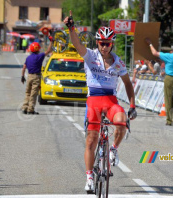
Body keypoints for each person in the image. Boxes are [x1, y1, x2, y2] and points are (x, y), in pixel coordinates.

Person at [63, 10, 137, 192]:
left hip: (111, 100)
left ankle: (113, 149)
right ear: (98, 43)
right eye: (102, 43)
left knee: (122, 122)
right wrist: (72, 28)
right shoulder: (90, 56)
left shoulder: (118, 62)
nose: (104, 47)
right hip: (94, 100)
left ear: (112, 44)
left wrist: (132, 106)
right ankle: (89, 177)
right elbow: (77, 43)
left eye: (108, 44)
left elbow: (128, 84)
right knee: (91, 141)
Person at [145, 38, 173, 126]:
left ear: (172, 48)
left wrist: (150, 44)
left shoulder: (169, 56)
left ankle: (169, 120)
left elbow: (154, 53)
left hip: (169, 78)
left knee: (168, 99)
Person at [21, 37, 53, 114]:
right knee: (33, 94)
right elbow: (48, 51)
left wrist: (22, 76)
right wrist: (51, 41)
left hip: (29, 76)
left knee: (27, 92)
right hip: (36, 77)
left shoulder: (28, 57)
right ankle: (30, 109)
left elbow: (24, 67)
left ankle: (25, 108)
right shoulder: (40, 56)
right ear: (38, 49)